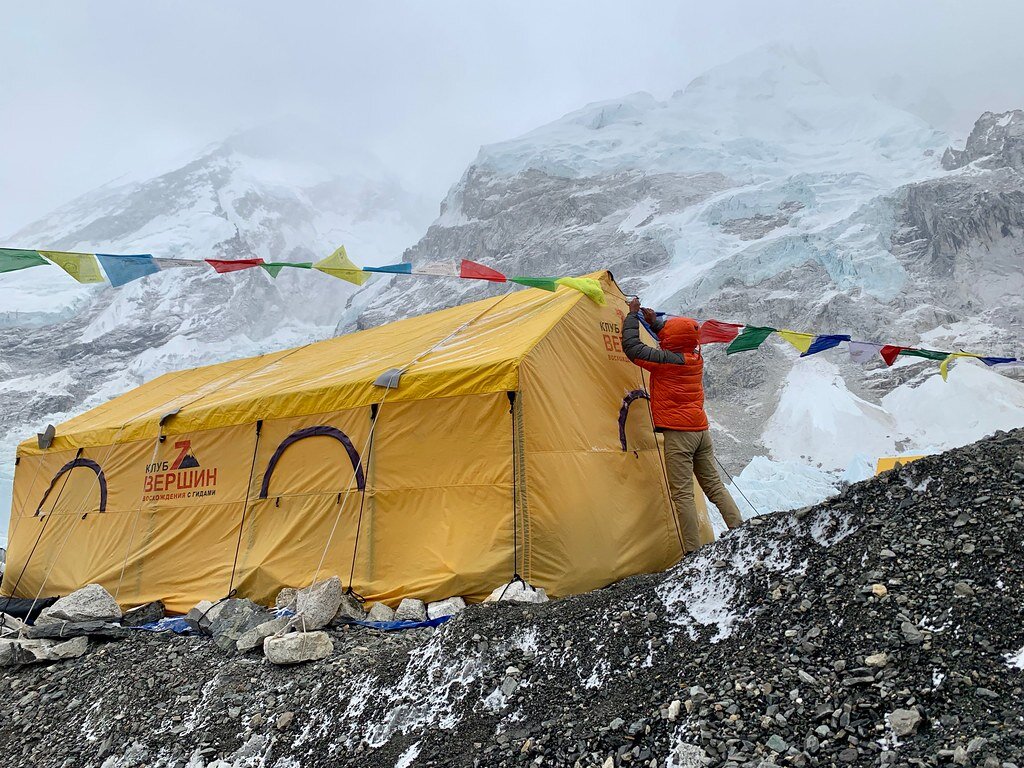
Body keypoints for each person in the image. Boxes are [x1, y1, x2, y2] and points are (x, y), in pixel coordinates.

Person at [621, 296, 744, 553]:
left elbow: (633, 349)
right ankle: (741, 530)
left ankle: (692, 551)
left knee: (683, 495)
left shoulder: (666, 361)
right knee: (714, 485)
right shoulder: (694, 358)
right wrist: (655, 324)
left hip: (679, 435)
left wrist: (632, 316)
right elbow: (676, 338)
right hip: (701, 432)